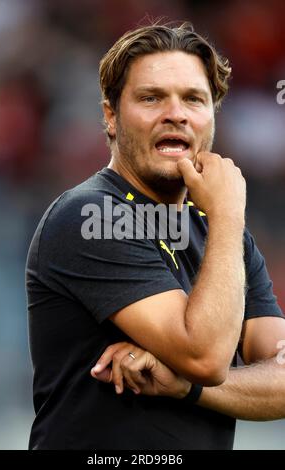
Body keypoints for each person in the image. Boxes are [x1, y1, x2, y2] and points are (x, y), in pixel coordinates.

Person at [26, 21, 285, 450]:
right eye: (151, 98)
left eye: (194, 99)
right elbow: (204, 356)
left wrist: (184, 386)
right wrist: (227, 214)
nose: (176, 113)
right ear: (110, 115)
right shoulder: (89, 216)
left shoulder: (223, 233)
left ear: (211, 117)